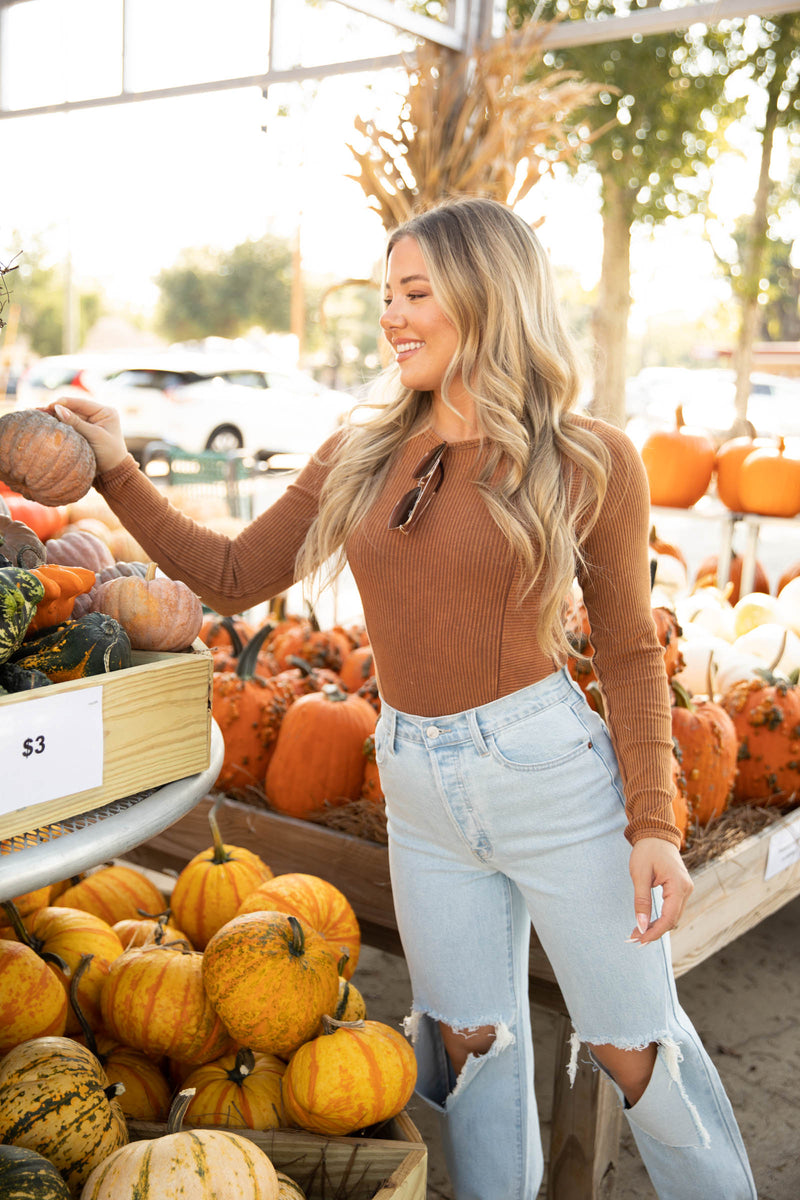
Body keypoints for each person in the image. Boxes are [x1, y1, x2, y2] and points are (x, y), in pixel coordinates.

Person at [53, 197, 756, 1200]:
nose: (392, 317)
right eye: (386, 296)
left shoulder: (588, 455)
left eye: (415, 294)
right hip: (417, 784)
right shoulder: (363, 448)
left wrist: (655, 819)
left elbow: (632, 653)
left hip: (549, 776)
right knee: (465, 1046)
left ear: (487, 297)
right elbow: (231, 571)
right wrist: (117, 469)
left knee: (631, 1047)